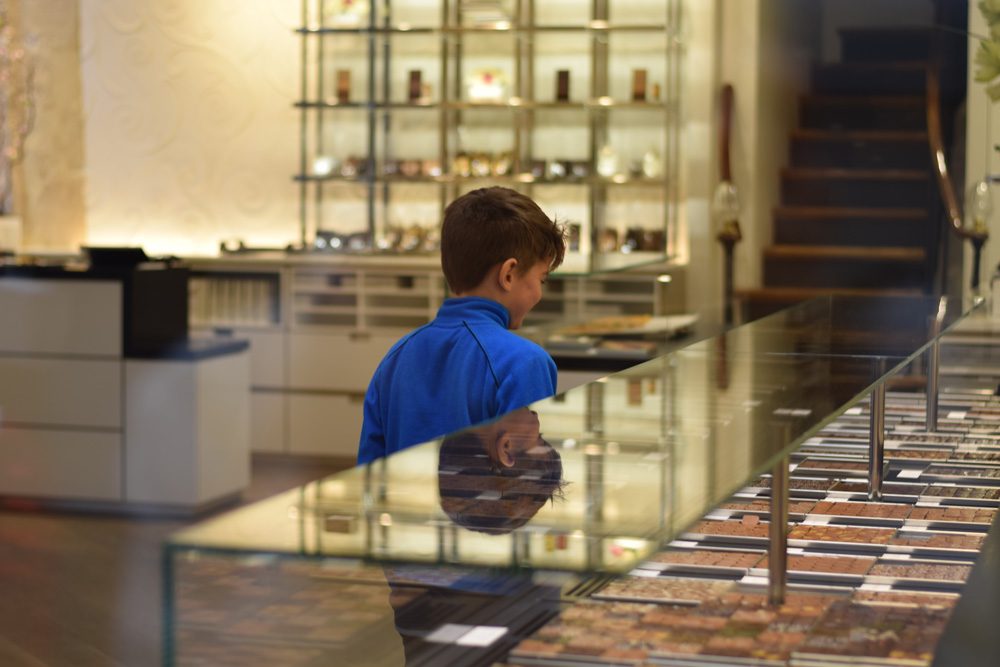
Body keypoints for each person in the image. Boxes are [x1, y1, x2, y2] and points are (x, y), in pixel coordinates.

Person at [358, 186, 566, 465]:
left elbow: (368, 474)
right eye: (540, 280)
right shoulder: (526, 363)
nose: (540, 294)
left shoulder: (394, 359)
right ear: (508, 274)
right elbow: (531, 484)